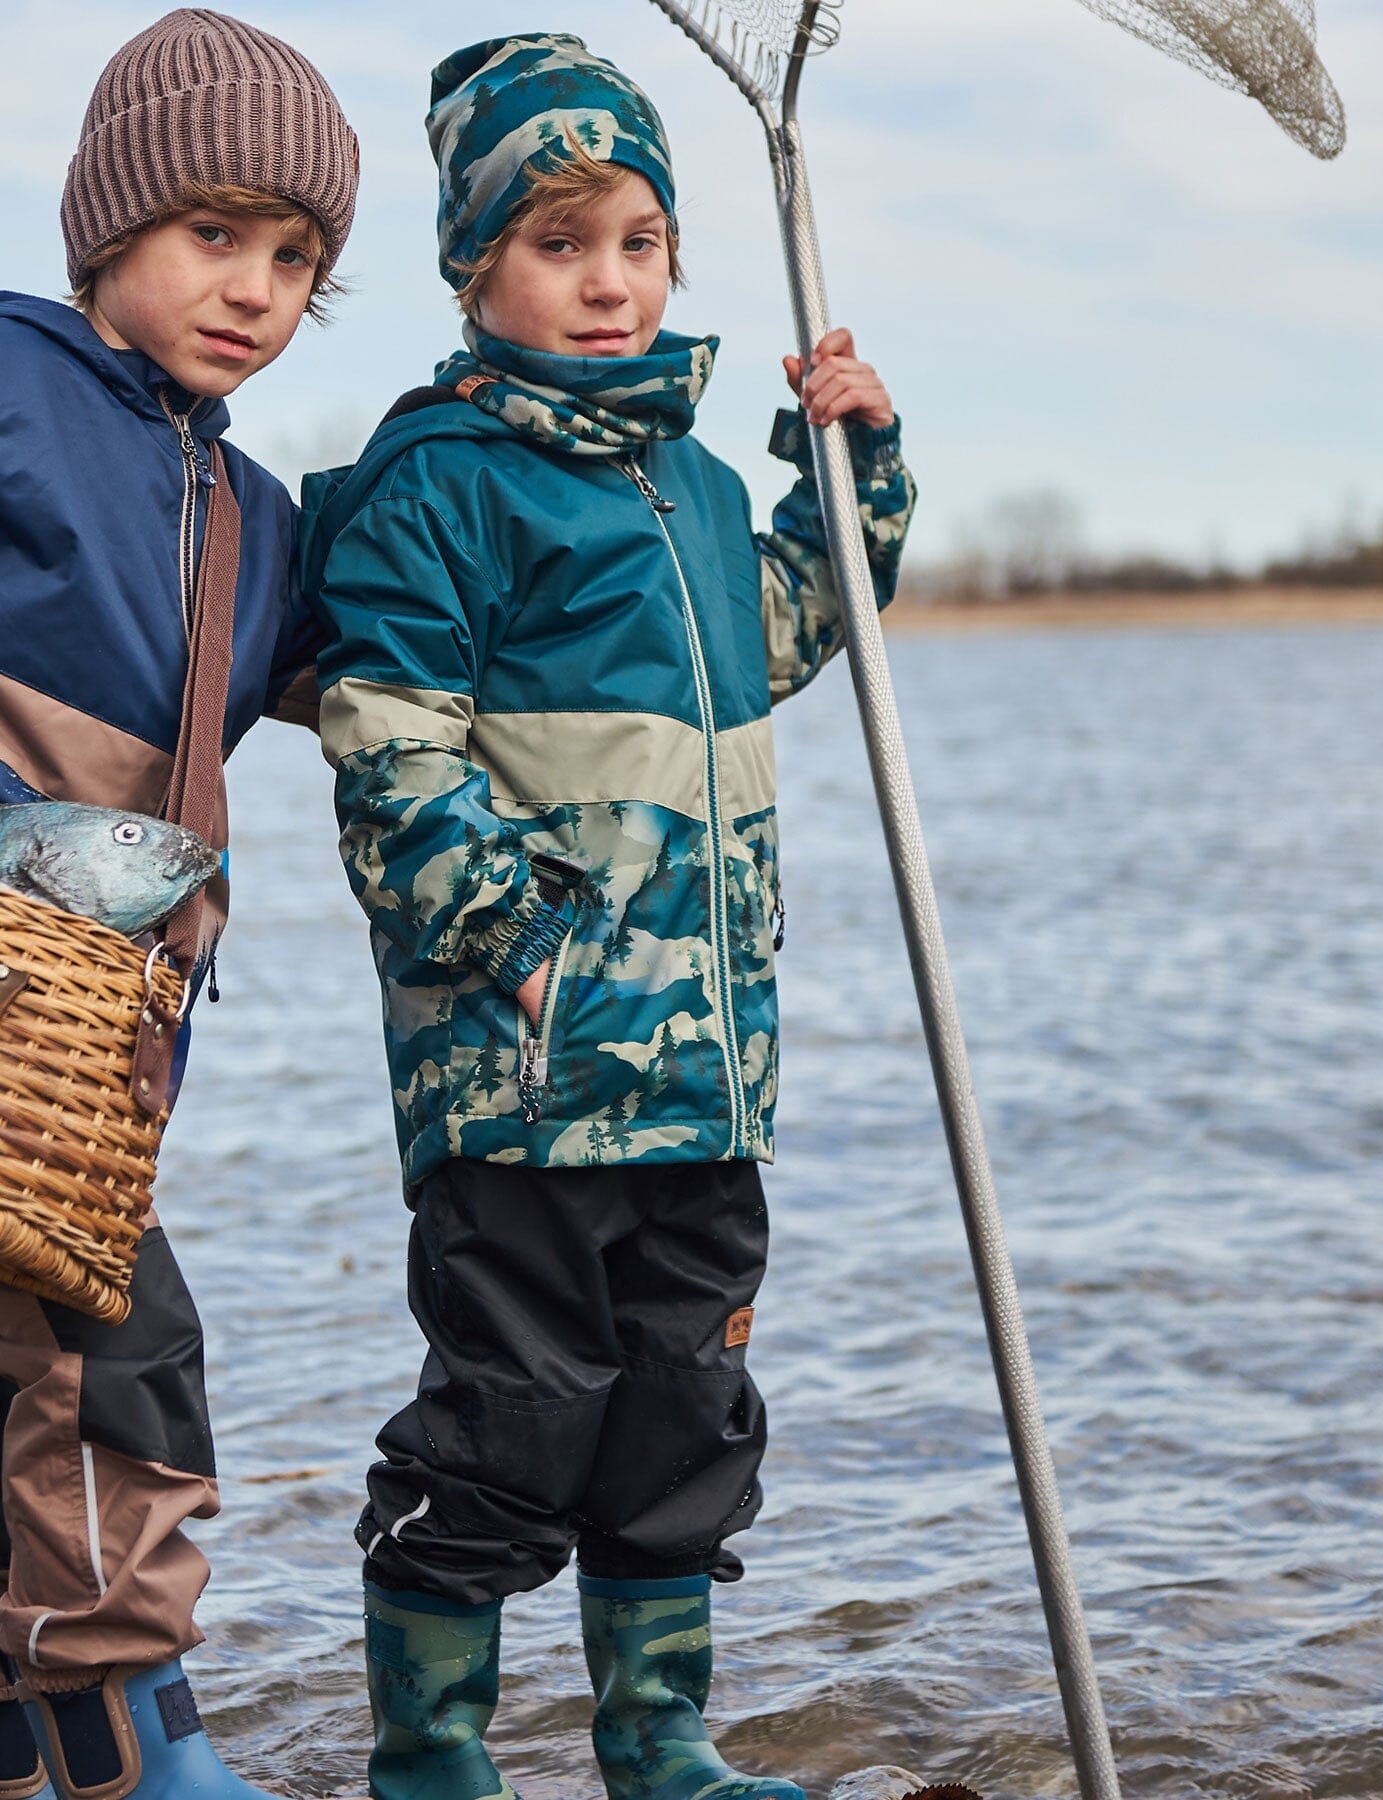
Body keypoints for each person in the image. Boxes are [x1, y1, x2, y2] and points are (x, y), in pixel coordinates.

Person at [304, 32, 913, 1800]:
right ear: (477, 266)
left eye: (637, 241)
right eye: (559, 243)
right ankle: (432, 1758)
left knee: (681, 1411)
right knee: (512, 1415)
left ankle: (662, 1744)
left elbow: (808, 635)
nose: (606, 281)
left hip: (708, 1071)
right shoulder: (445, 478)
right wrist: (521, 940)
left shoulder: (703, 490)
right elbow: (388, 741)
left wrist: (851, 472)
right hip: (527, 1067)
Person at [0, 11, 357, 1800]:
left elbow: (407, 653)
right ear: (110, 228)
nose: (257, 290)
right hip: (4, 993)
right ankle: (127, 1739)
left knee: (30, 1357)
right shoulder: (7, 382)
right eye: (215, 235)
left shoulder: (259, 513)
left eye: (297, 261)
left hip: (104, 1055)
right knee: (108, 1351)